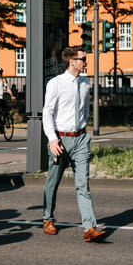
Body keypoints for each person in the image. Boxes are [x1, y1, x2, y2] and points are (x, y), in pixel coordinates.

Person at [41, 47, 106, 242]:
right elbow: (47, 112)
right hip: (60, 140)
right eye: (83, 59)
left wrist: (83, 132)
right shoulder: (56, 83)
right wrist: (52, 139)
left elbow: (85, 110)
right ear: (72, 61)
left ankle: (89, 228)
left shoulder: (85, 83)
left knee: (83, 184)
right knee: (53, 182)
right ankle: (47, 218)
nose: (86, 62)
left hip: (80, 140)